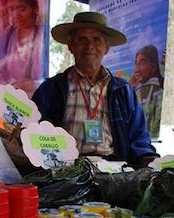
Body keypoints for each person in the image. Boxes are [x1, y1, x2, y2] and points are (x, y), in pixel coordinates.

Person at [32, 12, 158, 167]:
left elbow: (139, 139)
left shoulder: (123, 91)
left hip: (113, 169)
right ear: (71, 46)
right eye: (81, 39)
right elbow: (35, 132)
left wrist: (148, 159)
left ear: (106, 48)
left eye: (96, 39)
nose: (89, 46)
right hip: (65, 169)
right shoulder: (51, 89)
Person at [0, 0, 44, 97]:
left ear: (35, 9)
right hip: (10, 101)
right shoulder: (8, 35)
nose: (16, 15)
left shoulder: (44, 34)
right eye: (11, 9)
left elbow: (53, 77)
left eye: (22, 9)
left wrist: (34, 85)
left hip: (37, 102)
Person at [130, 45, 164, 137]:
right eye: (136, 64)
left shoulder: (159, 94)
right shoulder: (132, 91)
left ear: (153, 67)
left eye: (142, 63)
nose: (136, 69)